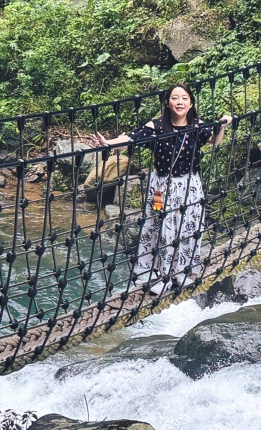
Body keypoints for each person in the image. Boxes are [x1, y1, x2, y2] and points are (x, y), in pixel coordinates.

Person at [93, 85, 234, 294]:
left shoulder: (197, 125)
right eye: (175, 98)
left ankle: (182, 271)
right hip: (160, 187)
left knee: (188, 227)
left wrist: (222, 125)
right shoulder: (157, 126)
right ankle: (158, 275)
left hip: (189, 186)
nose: (180, 102)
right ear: (167, 102)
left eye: (184, 98)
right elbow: (132, 137)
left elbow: (214, 140)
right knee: (159, 227)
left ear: (191, 103)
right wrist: (108, 143)